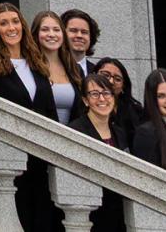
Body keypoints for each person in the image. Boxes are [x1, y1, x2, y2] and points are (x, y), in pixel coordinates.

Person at [0, 2, 57, 232]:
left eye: (15, 22)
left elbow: (49, 110)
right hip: (8, 155)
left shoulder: (37, 62)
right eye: (3, 23)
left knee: (42, 218)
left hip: (40, 155)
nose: (11, 28)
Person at [70, 74, 127, 232]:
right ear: (85, 100)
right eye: (94, 94)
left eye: (106, 93)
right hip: (91, 212)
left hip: (118, 210)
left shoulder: (120, 133)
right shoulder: (76, 131)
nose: (102, 99)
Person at [31, 9, 83, 124]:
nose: (51, 34)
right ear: (36, 34)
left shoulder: (75, 69)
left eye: (56, 30)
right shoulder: (29, 67)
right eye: (45, 30)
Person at [96, 57, 143, 148]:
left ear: (123, 87)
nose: (111, 81)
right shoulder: (85, 107)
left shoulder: (135, 111)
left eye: (117, 79)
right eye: (106, 75)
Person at [61, 9, 101, 76]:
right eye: (73, 30)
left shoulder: (97, 73)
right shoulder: (51, 69)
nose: (79, 35)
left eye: (84, 32)